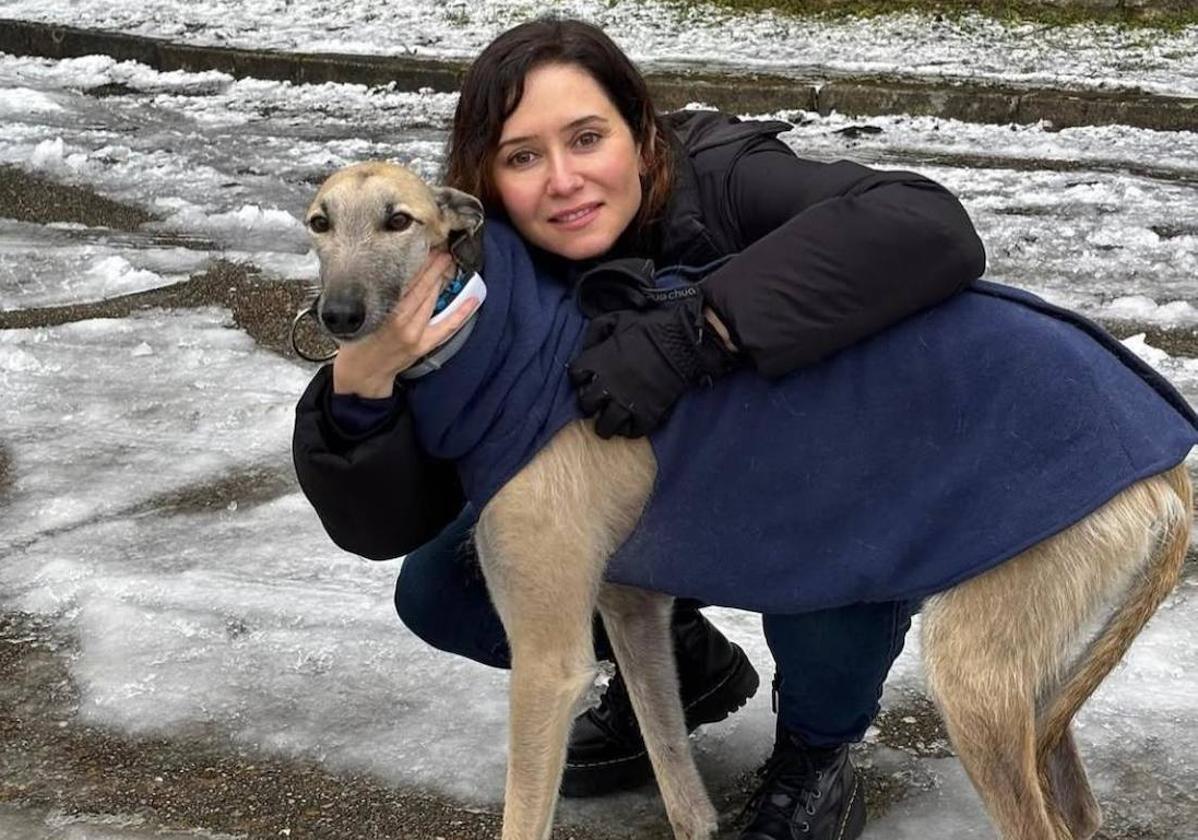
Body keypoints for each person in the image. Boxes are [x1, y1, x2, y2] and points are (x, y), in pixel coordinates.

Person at [292, 17, 986, 840]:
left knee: (825, 548)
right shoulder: (485, 255)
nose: (562, 180)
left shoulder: (725, 172)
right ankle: (677, 665)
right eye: (522, 156)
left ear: (641, 129)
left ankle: (816, 750)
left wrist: (701, 327)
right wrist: (359, 390)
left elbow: (927, 224)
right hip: (641, 496)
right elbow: (391, 522)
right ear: (482, 187)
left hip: (802, 482)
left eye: (587, 137)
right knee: (442, 585)